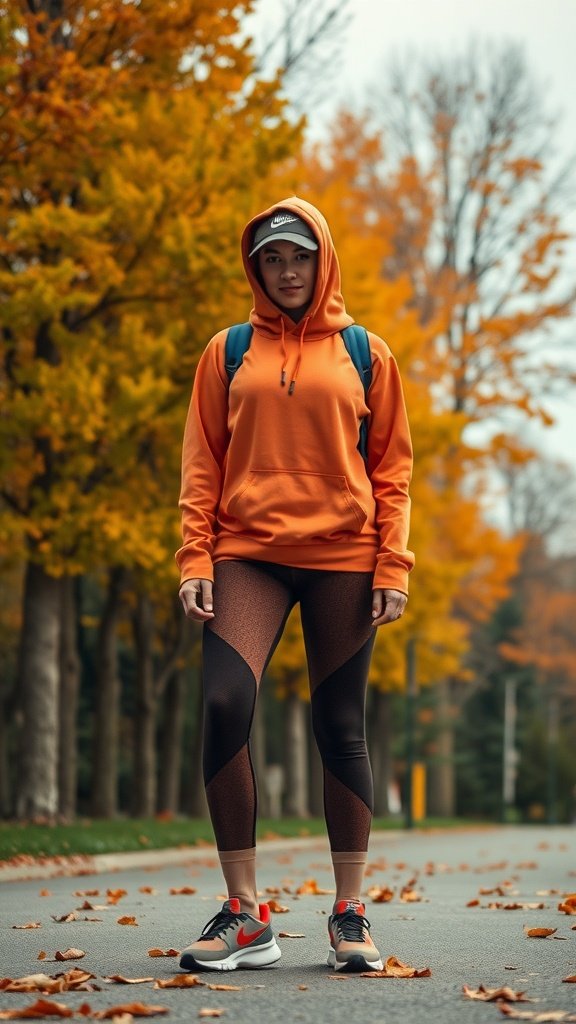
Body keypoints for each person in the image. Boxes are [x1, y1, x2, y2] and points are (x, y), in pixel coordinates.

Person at [176, 197, 414, 973]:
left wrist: (394, 565)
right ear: (255, 267)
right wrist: (195, 560)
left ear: (323, 261)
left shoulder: (366, 352)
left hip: (345, 553)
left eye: (299, 257)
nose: (285, 271)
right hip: (247, 552)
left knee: (340, 725)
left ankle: (350, 913)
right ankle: (246, 914)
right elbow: (202, 464)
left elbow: (393, 473)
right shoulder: (228, 349)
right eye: (271, 259)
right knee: (221, 704)